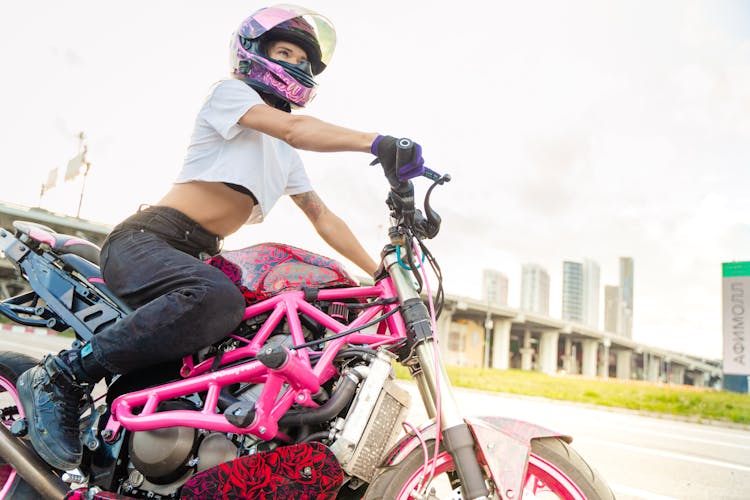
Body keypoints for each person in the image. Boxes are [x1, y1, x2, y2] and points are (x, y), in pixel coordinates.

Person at [17, 4, 426, 471]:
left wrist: (378, 273)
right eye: (286, 51)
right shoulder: (230, 97)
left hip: (196, 255)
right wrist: (377, 141)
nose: (295, 65)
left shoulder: (285, 155)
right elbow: (295, 128)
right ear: (254, 53)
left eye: (303, 61)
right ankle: (63, 373)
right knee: (218, 300)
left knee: (238, 344)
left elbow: (322, 216)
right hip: (148, 242)